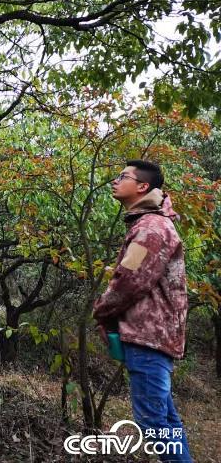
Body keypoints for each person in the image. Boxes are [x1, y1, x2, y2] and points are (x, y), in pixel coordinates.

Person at [93, 160, 192, 462]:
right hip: (152, 337)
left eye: (122, 177)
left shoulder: (151, 228)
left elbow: (130, 280)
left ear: (142, 187)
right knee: (166, 421)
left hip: (148, 338)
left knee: (153, 425)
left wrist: (102, 308)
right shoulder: (151, 223)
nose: (115, 181)